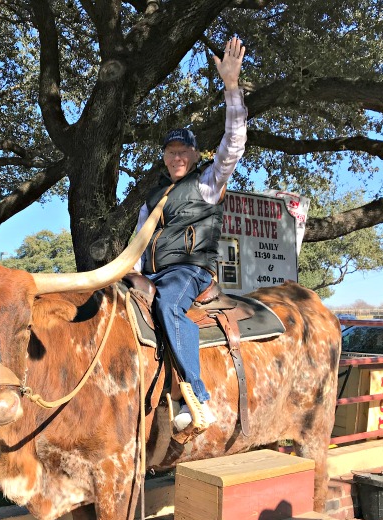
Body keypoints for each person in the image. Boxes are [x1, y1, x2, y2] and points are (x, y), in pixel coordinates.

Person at [134, 36, 247, 433]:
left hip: (190, 271)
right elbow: (137, 243)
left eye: (184, 152)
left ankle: (198, 395)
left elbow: (233, 144)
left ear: (196, 156)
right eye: (171, 152)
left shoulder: (208, 183)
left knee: (168, 304)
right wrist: (128, 273)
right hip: (151, 274)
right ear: (164, 157)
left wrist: (231, 87)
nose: (177, 157)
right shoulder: (152, 197)